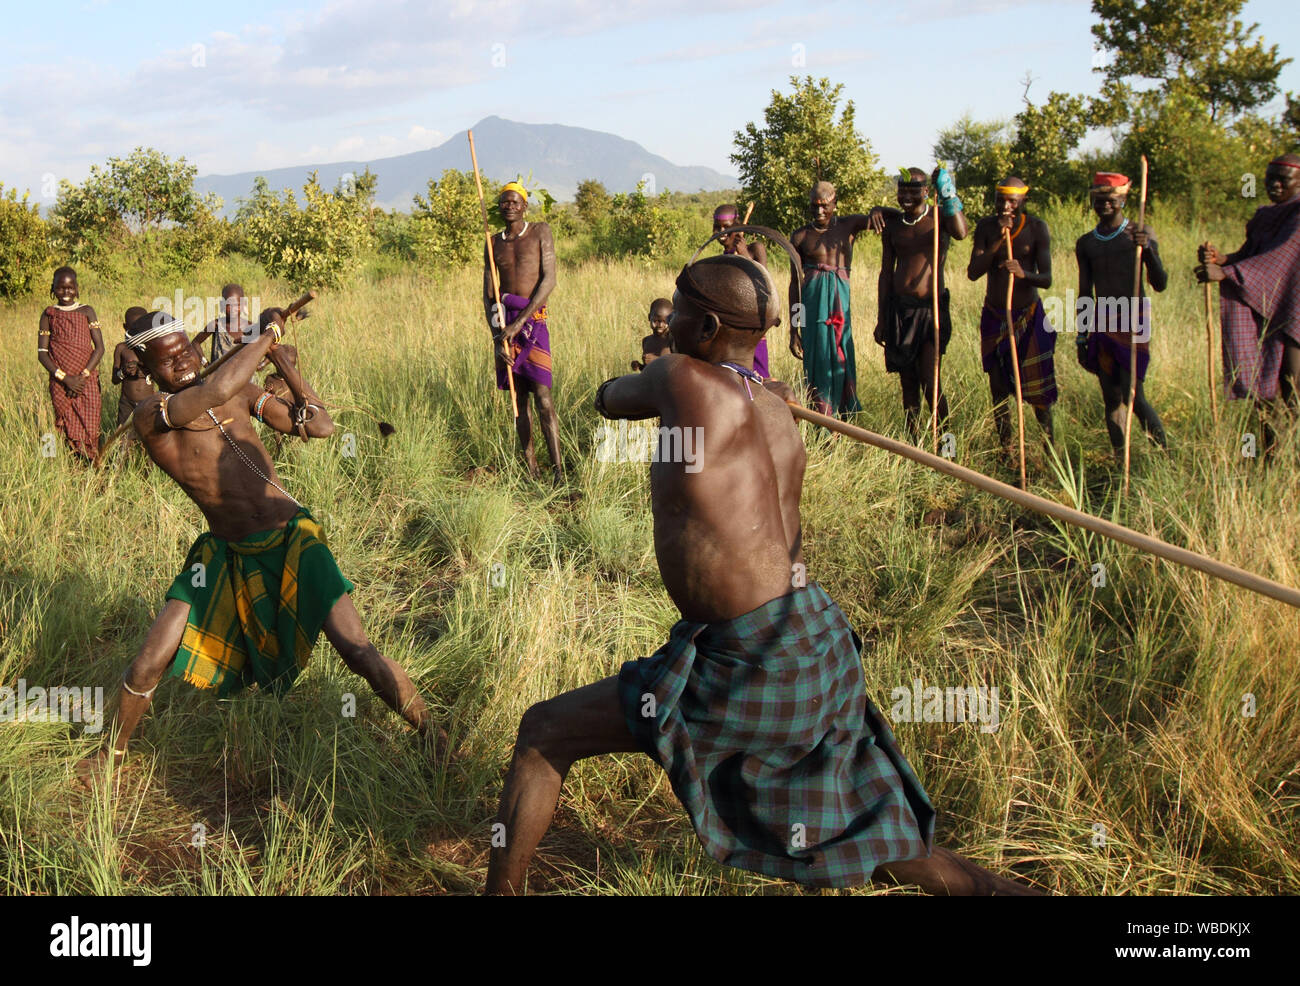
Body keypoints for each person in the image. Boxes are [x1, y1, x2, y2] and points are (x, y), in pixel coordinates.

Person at [485, 250, 1038, 896]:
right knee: (875, 839)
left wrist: (647, 373)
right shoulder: (778, 410)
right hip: (814, 639)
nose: (669, 324)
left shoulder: (682, 379)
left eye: (680, 310)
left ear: (710, 329)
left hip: (748, 657)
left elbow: (610, 400)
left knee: (544, 732)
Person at [77, 309, 446, 785]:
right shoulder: (153, 417)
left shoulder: (242, 392)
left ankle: (433, 734)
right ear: (148, 372)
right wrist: (264, 333)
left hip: (293, 537)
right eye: (169, 362)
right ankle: (112, 757)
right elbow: (211, 391)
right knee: (150, 659)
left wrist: (283, 364)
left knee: (357, 651)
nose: (185, 363)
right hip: (225, 554)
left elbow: (318, 427)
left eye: (188, 349)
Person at [1197, 153, 1300, 455]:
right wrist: (1223, 260)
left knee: (1293, 390)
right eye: (1270, 179)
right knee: (1265, 391)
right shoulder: (1265, 215)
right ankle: (1271, 460)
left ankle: (1292, 467)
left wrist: (1226, 273)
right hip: (1268, 308)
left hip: (1293, 311)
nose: (1275, 185)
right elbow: (1252, 254)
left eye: (1284, 179)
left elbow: (1278, 261)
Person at [1075, 172, 1168, 461]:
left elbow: (1161, 282)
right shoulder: (1087, 243)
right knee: (1111, 398)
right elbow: (1084, 291)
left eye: (1111, 200)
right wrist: (1082, 334)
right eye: (1099, 199)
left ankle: (1164, 456)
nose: (1104, 205)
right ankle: (1120, 460)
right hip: (1102, 321)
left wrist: (1148, 250)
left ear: (1124, 200)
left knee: (1133, 396)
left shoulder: (1140, 234)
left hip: (1133, 319)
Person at [874, 167, 968, 442]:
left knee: (931, 380)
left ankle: (947, 446)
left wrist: (949, 194)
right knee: (908, 384)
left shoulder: (940, 218)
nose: (906, 195)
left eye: (913, 190)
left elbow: (961, 232)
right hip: (899, 311)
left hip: (931, 310)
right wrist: (882, 318)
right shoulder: (893, 225)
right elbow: (885, 273)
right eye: (901, 189)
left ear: (927, 191)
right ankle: (914, 445)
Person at [967, 177, 1056, 464]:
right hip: (995, 315)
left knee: (1037, 388)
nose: (1005, 206)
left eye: (1012, 201)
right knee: (998, 388)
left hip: (1027, 316)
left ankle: (1049, 452)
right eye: (1000, 200)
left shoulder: (1036, 228)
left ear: (1022, 202)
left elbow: (1047, 279)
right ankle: (1008, 453)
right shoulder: (986, 228)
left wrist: (1023, 273)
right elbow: (973, 272)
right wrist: (995, 244)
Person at [485, 181, 563, 482]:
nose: (509, 206)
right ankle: (530, 470)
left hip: (533, 322)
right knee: (519, 403)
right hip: (504, 325)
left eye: (515, 202)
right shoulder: (493, 243)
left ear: (524, 206)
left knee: (543, 397)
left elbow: (549, 281)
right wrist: (497, 336)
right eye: (504, 202)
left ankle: (558, 472)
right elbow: (489, 295)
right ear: (499, 207)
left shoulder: (540, 231)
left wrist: (521, 323)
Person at [788, 182, 876, 416]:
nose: (819, 212)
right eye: (814, 207)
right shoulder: (799, 236)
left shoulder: (849, 225)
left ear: (835, 204)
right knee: (816, 366)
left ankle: (846, 421)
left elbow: (881, 218)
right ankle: (823, 425)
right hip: (812, 314)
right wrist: (794, 328)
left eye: (825, 206)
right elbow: (795, 285)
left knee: (842, 359)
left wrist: (878, 210)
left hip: (840, 314)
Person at [37, 266, 104, 462]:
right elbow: (42, 354)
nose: (66, 292)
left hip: (87, 380)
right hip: (61, 382)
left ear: (77, 288)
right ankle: (75, 466)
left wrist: (82, 377)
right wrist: (66, 379)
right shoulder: (48, 315)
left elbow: (99, 348)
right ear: (53, 288)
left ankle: (94, 465)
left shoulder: (87, 311)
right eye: (60, 288)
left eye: (70, 287)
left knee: (91, 426)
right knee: (67, 425)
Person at [713, 204, 770, 378]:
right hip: (730, 330)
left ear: (737, 226)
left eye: (727, 227)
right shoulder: (722, 259)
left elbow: (765, 286)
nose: (721, 232)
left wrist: (744, 254)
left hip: (752, 327)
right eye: (718, 227)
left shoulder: (755, 249)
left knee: (760, 378)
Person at [109, 306, 157, 448]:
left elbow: (158, 373)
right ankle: (120, 469)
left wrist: (143, 369)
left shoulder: (152, 347)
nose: (137, 332)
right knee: (123, 439)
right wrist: (123, 372)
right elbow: (114, 379)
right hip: (127, 402)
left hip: (148, 401)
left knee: (149, 438)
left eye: (141, 328)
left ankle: (148, 470)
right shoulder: (122, 348)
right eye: (132, 328)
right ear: (125, 327)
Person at [192, 284, 253, 365]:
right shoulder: (216, 325)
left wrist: (261, 364)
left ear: (243, 304)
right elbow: (195, 343)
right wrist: (206, 364)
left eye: (237, 305)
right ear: (222, 305)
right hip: (218, 376)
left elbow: (269, 346)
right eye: (229, 305)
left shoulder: (250, 327)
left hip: (245, 377)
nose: (233, 309)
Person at [631, 298, 674, 372]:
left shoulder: (673, 340)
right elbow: (648, 370)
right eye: (656, 321)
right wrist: (639, 366)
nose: (660, 325)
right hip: (650, 381)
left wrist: (656, 360)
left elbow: (678, 365)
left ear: (671, 319)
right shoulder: (646, 341)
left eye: (665, 321)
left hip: (668, 381)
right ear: (649, 317)